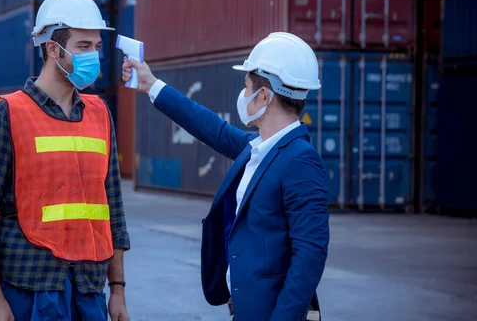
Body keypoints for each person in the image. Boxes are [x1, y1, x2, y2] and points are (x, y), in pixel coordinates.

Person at [122, 32, 329, 321]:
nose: (243, 96)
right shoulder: (257, 148)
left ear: (265, 96)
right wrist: (151, 85)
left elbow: (310, 255)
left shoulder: (300, 161)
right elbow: (210, 127)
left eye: (246, 87)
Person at [0, 0, 131, 321]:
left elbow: (113, 209)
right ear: (53, 49)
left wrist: (118, 290)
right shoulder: (8, 114)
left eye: (97, 47)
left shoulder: (99, 114)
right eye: (83, 47)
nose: (93, 57)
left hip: (89, 291)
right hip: (29, 290)